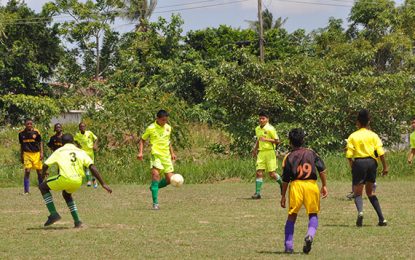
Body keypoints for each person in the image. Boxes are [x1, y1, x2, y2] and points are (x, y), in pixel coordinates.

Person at [39, 134, 112, 228]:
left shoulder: (59, 151)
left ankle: (53, 214)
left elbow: (45, 165)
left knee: (42, 187)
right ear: (73, 141)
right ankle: (78, 221)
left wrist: (43, 174)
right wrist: (103, 183)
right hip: (78, 181)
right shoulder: (80, 151)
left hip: (65, 178)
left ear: (62, 142)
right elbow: (92, 167)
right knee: (67, 195)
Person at [281, 128, 328, 254]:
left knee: (292, 215)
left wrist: (283, 196)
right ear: (303, 140)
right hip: (311, 185)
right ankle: (310, 235)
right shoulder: (311, 153)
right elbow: (322, 170)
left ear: (290, 142)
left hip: (296, 186)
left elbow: (285, 179)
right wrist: (324, 185)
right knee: (313, 214)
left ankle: (289, 246)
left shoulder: (288, 156)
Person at [346, 109, 388, 227]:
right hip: (371, 163)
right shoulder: (373, 135)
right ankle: (382, 219)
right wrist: (385, 167)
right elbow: (380, 152)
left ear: (358, 122)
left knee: (358, 193)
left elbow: (349, 155)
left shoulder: (353, 136)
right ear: (368, 122)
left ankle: (360, 212)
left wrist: (352, 165)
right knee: (370, 192)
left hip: (359, 162)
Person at [137, 110, 178, 210]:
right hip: (156, 155)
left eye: (166, 120)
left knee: (170, 180)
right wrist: (140, 152)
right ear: (157, 119)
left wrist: (172, 153)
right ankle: (155, 203)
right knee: (156, 175)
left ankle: (154, 187)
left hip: (166, 156)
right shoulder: (151, 128)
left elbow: (168, 141)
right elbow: (142, 140)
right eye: (163, 120)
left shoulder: (168, 128)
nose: (165, 122)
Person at [251, 111, 282, 199]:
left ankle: (282, 184)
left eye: (263, 118)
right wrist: (255, 149)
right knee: (259, 172)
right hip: (261, 152)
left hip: (270, 152)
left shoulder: (270, 128)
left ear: (267, 119)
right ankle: (257, 193)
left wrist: (266, 139)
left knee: (272, 174)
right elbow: (258, 140)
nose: (261, 120)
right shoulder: (257, 129)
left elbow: (277, 141)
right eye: (260, 118)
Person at [18, 118, 44, 194]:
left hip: (36, 154)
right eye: (27, 124)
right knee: (27, 171)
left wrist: (42, 153)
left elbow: (40, 142)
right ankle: (26, 191)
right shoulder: (21, 133)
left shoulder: (36, 132)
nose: (29, 125)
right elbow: (21, 145)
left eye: (30, 124)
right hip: (27, 154)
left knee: (39, 172)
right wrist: (21, 155)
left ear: (32, 124)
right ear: (25, 124)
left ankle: (42, 189)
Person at [74, 122, 98, 188]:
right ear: (79, 128)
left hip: (90, 152)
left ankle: (94, 180)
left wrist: (95, 145)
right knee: (86, 167)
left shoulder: (89, 133)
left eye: (83, 126)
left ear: (85, 127)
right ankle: (88, 180)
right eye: (81, 127)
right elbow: (74, 140)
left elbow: (96, 138)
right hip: (83, 152)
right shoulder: (78, 135)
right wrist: (78, 145)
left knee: (92, 166)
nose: (82, 128)